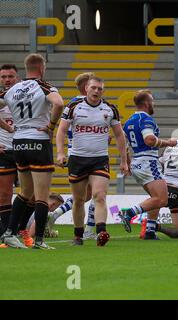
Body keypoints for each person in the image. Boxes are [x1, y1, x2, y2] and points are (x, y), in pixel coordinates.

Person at [0, 53, 64, 249]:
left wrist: (9, 128)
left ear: (25, 69)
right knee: (41, 194)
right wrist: (52, 125)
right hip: (38, 141)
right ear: (42, 68)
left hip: (18, 142)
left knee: (25, 191)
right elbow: (59, 103)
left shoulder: (12, 90)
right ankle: (39, 241)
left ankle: (9, 233)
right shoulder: (43, 86)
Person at [55, 76, 129, 246]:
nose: (97, 91)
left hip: (99, 159)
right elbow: (61, 131)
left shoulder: (110, 109)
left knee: (99, 196)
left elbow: (119, 135)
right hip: (77, 159)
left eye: (100, 89)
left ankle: (101, 232)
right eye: (94, 88)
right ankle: (78, 235)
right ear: (86, 88)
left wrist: (124, 161)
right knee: (79, 199)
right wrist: (60, 153)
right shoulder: (73, 107)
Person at [119, 89, 177, 240]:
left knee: (154, 197)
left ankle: (150, 230)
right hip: (148, 161)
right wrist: (169, 143)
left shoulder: (129, 121)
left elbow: (124, 144)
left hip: (137, 162)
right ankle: (130, 213)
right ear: (146, 103)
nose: (153, 104)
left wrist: (127, 162)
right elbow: (149, 140)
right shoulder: (146, 120)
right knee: (162, 199)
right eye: (152, 101)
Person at [48, 72, 98, 240]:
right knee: (97, 193)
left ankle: (54, 215)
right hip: (85, 155)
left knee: (88, 195)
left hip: (75, 153)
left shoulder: (72, 103)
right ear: (86, 87)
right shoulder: (82, 104)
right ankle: (90, 229)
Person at [0, 64, 19, 241]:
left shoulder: (26, 98)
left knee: (32, 194)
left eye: (10, 76)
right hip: (4, 150)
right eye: (4, 76)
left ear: (17, 77)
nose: (7, 80)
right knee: (5, 193)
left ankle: (20, 228)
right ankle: (6, 232)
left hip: (25, 149)